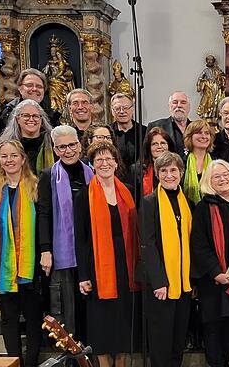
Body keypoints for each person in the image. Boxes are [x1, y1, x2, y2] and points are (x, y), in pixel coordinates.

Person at [74, 142, 141, 367]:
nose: (105, 163)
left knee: (123, 319)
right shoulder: (85, 196)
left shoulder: (127, 191)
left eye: (109, 159)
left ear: (116, 162)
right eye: (99, 160)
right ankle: (103, 364)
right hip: (98, 267)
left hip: (125, 265)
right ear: (92, 165)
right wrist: (83, 275)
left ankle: (120, 363)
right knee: (101, 321)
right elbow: (80, 240)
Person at [0, 140, 43, 367]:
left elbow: (43, 227)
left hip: (31, 265)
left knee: (34, 319)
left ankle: (32, 363)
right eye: (4, 156)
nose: (9, 160)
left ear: (23, 159)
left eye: (13, 155)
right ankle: (13, 362)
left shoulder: (36, 186)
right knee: (8, 318)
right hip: (1, 266)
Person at [137, 151, 194, 367]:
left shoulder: (187, 202)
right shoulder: (150, 202)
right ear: (157, 175)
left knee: (178, 340)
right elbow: (148, 245)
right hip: (160, 285)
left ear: (181, 172)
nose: (169, 175)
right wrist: (159, 282)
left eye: (173, 170)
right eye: (163, 171)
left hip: (183, 284)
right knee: (161, 342)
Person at [37, 125, 93, 340]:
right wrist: (45, 250)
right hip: (64, 252)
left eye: (72, 145)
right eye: (62, 147)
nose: (68, 151)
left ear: (80, 145)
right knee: (68, 309)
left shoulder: (91, 171)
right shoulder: (48, 175)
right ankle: (72, 357)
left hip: (89, 249)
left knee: (89, 307)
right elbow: (44, 214)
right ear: (55, 149)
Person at [191, 160, 229, 367]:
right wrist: (217, 273)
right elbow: (199, 245)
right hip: (212, 279)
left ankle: (226, 359)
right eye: (217, 177)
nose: (223, 179)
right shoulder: (203, 208)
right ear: (209, 182)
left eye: (226, 175)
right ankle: (216, 362)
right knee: (213, 325)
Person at [0, 68, 61, 171]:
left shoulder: (52, 116)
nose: (34, 89)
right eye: (29, 85)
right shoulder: (5, 114)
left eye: (39, 86)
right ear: (20, 88)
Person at [0, 99, 55, 175]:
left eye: (35, 116)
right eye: (26, 116)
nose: (31, 119)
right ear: (17, 119)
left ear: (41, 120)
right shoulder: (5, 146)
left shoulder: (54, 143)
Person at [129, 127, 175, 199]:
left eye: (163, 143)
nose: (159, 147)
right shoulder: (137, 169)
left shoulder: (176, 168)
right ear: (149, 147)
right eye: (154, 144)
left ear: (169, 146)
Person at [146, 91, 192, 158]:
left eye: (183, 102)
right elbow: (146, 154)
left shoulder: (197, 129)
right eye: (175, 102)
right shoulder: (155, 126)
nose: (179, 105)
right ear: (169, 106)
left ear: (189, 107)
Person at [183, 119, 216, 204]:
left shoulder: (216, 163)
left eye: (207, 133)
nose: (204, 136)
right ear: (190, 137)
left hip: (212, 209)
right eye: (198, 132)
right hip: (188, 208)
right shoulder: (182, 162)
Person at [110, 92, 145, 171]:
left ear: (132, 109)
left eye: (125, 108)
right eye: (117, 108)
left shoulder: (144, 132)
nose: (122, 111)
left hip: (140, 179)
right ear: (112, 111)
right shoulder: (107, 132)